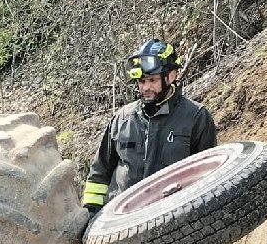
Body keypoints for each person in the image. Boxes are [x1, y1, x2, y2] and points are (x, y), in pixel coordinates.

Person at [82, 39, 217, 215]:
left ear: (171, 75)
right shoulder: (122, 118)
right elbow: (99, 173)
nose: (145, 87)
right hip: (120, 223)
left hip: (173, 221)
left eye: (152, 80)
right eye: (141, 81)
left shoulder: (196, 117)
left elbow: (209, 176)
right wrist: (91, 214)